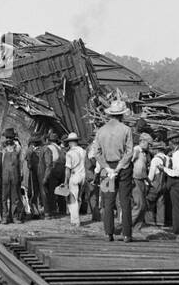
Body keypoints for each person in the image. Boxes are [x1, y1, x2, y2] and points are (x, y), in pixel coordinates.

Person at [91, 99, 134, 241]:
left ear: (110, 114)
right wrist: (119, 167)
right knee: (125, 201)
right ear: (122, 115)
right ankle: (127, 234)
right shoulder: (126, 130)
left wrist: (107, 168)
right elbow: (129, 152)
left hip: (106, 169)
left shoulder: (101, 131)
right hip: (124, 168)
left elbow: (96, 153)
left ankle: (108, 233)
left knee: (108, 202)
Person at [142, 129, 170, 229]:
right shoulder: (167, 158)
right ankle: (160, 222)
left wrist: (147, 183)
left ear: (157, 150)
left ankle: (150, 222)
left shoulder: (155, 159)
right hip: (164, 184)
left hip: (155, 184)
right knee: (161, 203)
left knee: (148, 202)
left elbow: (151, 175)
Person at [0, 128, 24, 223]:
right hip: (4, 174)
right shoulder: (1, 148)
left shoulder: (18, 148)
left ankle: (14, 216)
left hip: (15, 174)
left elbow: (20, 161)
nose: (8, 139)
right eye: (7, 137)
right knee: (4, 197)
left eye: (10, 137)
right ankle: (5, 217)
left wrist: (21, 173)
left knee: (15, 197)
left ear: (13, 138)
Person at [64, 132, 88, 226]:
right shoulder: (83, 151)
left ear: (70, 142)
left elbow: (67, 169)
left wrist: (66, 181)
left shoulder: (69, 153)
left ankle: (75, 220)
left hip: (74, 176)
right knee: (79, 198)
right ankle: (76, 217)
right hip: (83, 175)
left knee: (72, 198)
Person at [41, 131, 66, 218]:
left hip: (54, 168)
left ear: (49, 140)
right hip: (62, 168)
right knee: (61, 189)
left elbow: (49, 163)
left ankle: (52, 210)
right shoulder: (60, 148)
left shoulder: (49, 148)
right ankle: (62, 209)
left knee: (52, 190)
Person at [25, 137, 43, 217]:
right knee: (35, 192)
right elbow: (28, 163)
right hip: (34, 173)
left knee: (35, 191)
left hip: (36, 173)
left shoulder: (34, 150)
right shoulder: (31, 150)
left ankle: (36, 210)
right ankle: (35, 210)